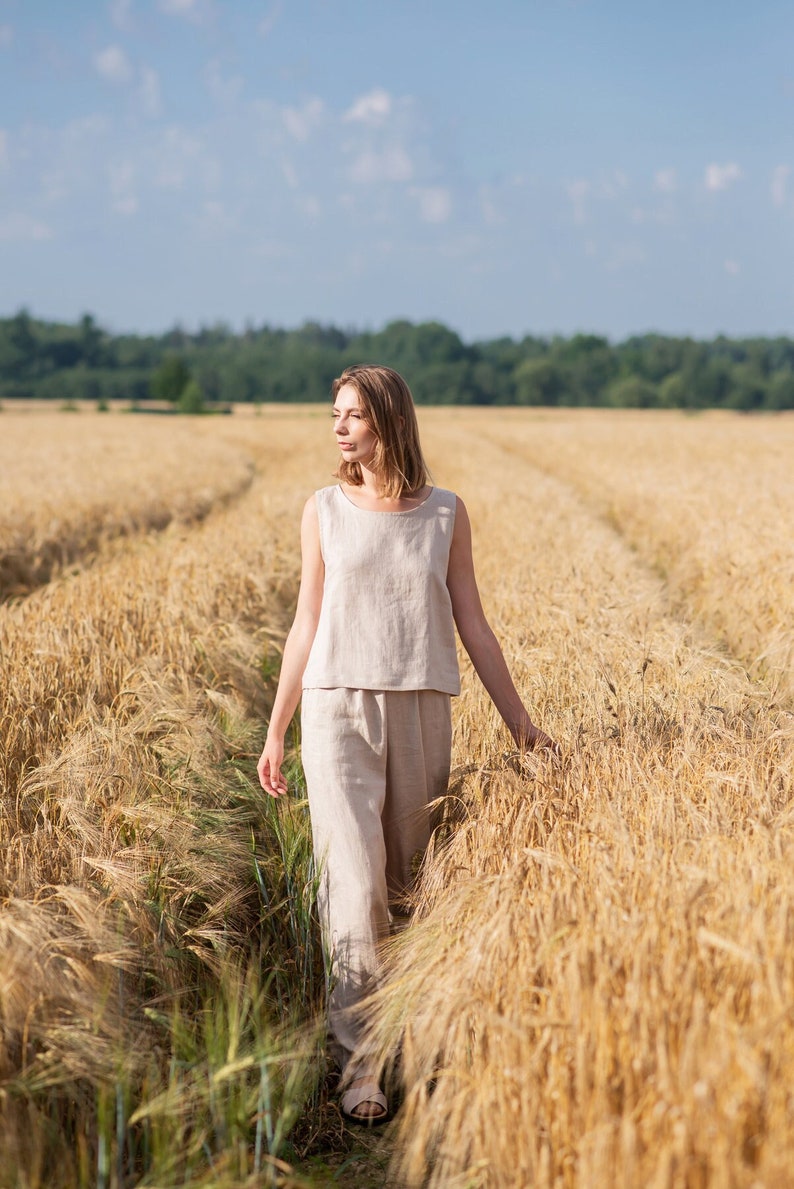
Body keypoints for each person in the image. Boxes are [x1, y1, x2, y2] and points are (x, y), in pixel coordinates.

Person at [257, 364, 556, 1124]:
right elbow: (304, 622)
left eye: (352, 414)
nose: (338, 427)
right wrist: (276, 724)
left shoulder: (445, 513)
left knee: (406, 890)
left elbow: (474, 625)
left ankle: (410, 1040)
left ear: (389, 421)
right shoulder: (322, 509)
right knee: (354, 893)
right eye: (335, 413)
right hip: (336, 713)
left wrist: (522, 724)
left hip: (424, 707)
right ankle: (361, 1068)